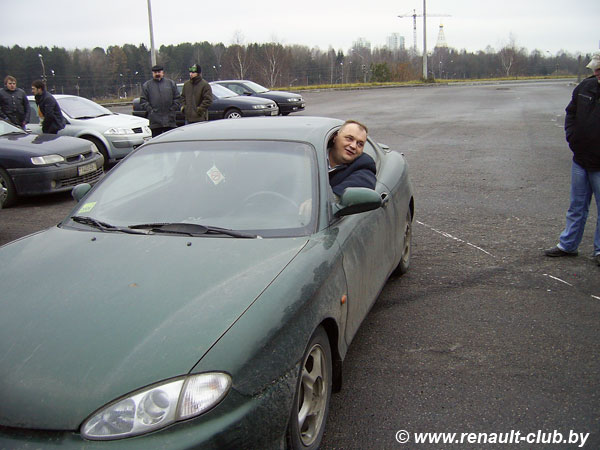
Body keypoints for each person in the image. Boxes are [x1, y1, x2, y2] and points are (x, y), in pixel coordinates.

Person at [545, 52, 600, 266]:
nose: (596, 71)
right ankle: (568, 245)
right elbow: (571, 113)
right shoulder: (585, 87)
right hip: (581, 158)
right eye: (595, 68)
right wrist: (572, 137)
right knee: (577, 205)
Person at [328, 119, 376, 197]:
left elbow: (362, 184)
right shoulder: (312, 154)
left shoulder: (364, 165)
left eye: (360, 144)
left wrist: (334, 198)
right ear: (335, 137)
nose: (353, 146)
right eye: (349, 139)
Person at [140, 64, 180, 137]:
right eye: (155, 72)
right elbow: (143, 101)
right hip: (155, 122)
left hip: (170, 120)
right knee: (157, 141)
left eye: (159, 72)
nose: (157, 74)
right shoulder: (147, 85)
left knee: (170, 140)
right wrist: (151, 110)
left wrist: (172, 109)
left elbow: (177, 98)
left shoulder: (171, 83)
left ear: (163, 72)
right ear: (152, 73)